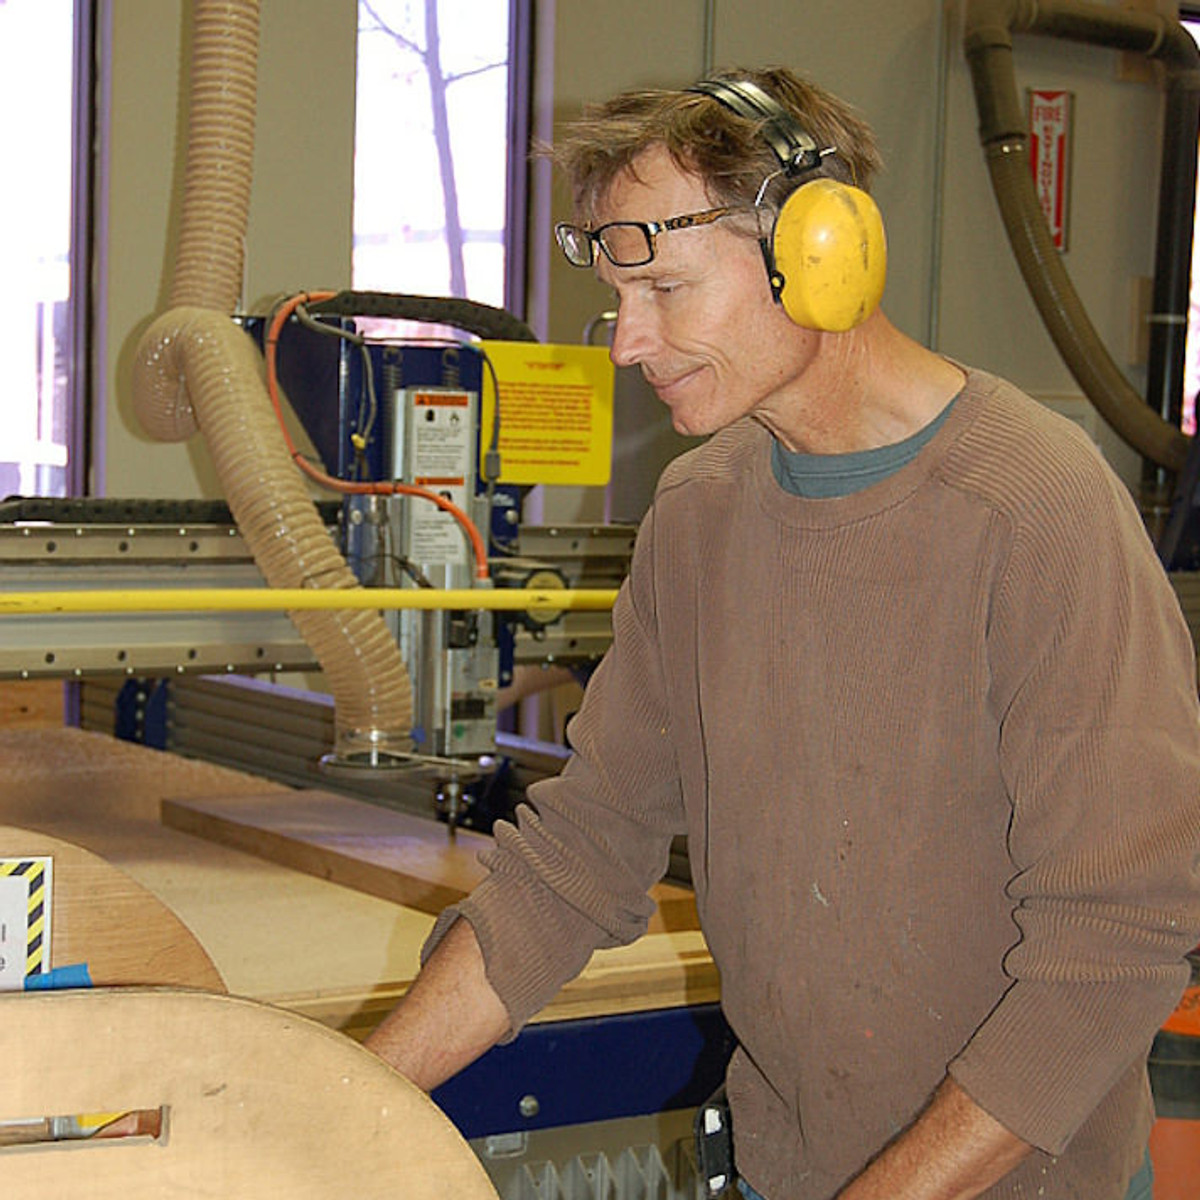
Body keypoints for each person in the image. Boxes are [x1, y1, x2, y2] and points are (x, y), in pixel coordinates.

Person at [365, 66, 1200, 1200]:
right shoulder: (700, 516)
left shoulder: (1035, 511)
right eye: (621, 295)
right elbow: (577, 859)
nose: (626, 343)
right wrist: (345, 1097)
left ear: (822, 251)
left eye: (665, 288)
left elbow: (1115, 945)